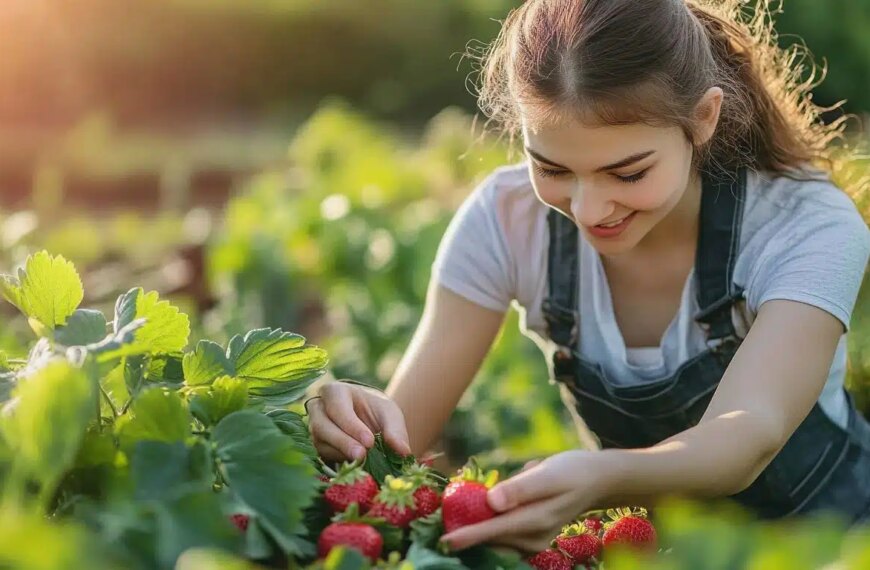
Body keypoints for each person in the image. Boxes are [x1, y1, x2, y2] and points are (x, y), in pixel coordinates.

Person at [305, 0, 870, 553]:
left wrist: (602, 477)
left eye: (627, 173)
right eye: (551, 169)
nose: (589, 209)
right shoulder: (506, 221)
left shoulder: (804, 226)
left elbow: (749, 436)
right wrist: (356, 425)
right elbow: (406, 432)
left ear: (703, 118)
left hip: (832, 545)